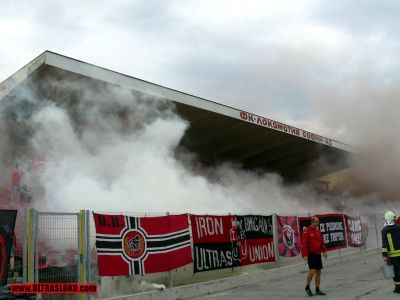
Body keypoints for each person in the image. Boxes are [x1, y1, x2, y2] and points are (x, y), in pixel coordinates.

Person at [301, 217, 328, 296]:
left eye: (318, 222)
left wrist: (324, 251)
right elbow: (304, 244)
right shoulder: (306, 231)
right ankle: (307, 286)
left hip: (317, 254)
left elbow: (322, 242)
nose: (318, 224)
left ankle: (317, 289)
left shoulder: (318, 231)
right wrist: (305, 255)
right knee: (312, 271)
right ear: (312, 222)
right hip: (311, 254)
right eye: (316, 222)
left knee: (318, 272)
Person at [381, 211, 400, 293]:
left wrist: (384, 255)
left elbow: (384, 244)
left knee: (395, 272)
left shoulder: (384, 230)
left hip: (393, 256)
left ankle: (398, 288)